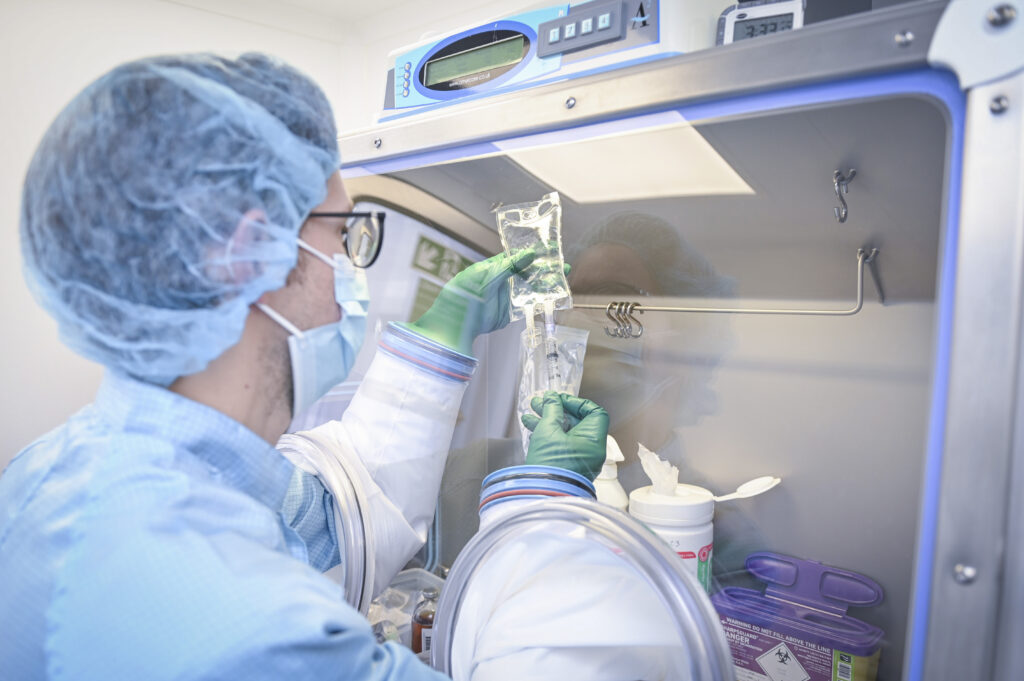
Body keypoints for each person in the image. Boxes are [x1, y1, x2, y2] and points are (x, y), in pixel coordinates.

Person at [0, 53, 608, 680]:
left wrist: (438, 342)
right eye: (342, 236)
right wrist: (545, 509)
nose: (351, 267)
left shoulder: (61, 470)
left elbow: (324, 522)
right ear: (249, 255)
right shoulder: (253, 632)